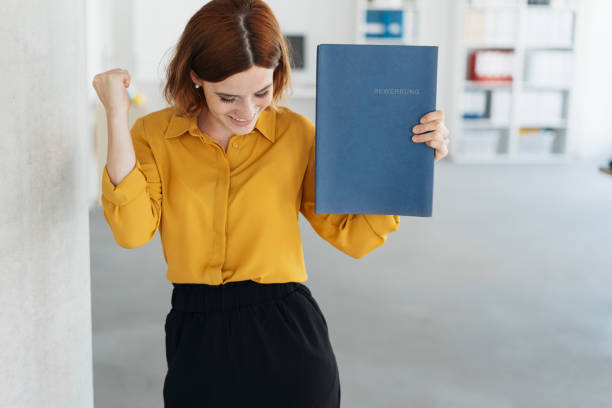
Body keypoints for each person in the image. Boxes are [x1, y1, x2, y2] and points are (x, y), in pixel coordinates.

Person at [91, 0, 450, 406]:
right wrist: (116, 118)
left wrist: (408, 162)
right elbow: (132, 231)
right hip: (196, 331)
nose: (247, 112)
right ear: (195, 76)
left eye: (261, 93)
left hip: (285, 331)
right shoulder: (153, 135)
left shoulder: (296, 134)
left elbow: (353, 237)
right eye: (228, 98)